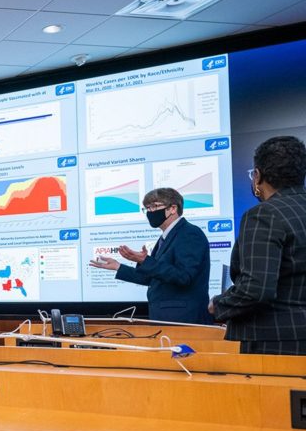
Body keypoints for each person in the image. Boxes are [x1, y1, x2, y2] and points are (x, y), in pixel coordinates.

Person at [210, 136, 306, 355]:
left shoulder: (264, 215)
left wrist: (219, 304)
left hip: (274, 342)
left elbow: (256, 290)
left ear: (257, 176)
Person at [90, 187, 213, 324]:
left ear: (173, 208)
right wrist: (119, 267)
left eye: (154, 206)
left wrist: (145, 260)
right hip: (167, 317)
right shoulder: (165, 238)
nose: (150, 212)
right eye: (147, 208)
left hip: (183, 318)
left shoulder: (189, 234)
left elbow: (183, 276)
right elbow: (152, 278)